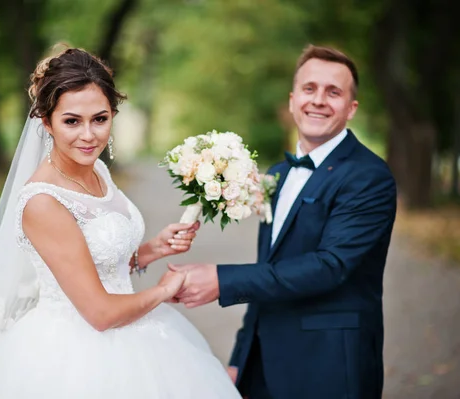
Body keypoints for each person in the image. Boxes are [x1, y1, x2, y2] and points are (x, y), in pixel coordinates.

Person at [0, 46, 241, 398]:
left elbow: (96, 263)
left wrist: (151, 250)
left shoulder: (95, 169)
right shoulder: (43, 202)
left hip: (134, 330)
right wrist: (164, 289)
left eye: (100, 119)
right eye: (72, 121)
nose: (89, 135)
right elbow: (99, 312)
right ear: (46, 122)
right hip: (76, 353)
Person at [169, 45, 397, 399]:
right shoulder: (278, 174)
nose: (318, 100)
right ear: (292, 101)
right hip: (263, 364)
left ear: (351, 108)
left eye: (333, 92)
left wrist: (221, 279)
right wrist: (241, 357)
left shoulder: (369, 176)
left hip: (329, 366)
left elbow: (330, 265)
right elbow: (270, 266)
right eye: (309, 89)